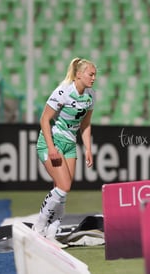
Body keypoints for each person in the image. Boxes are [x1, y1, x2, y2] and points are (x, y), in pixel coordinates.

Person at [33, 57, 96, 238]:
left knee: (61, 189)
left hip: (69, 145)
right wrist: (51, 148)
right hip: (52, 142)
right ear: (78, 75)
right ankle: (39, 226)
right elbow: (44, 119)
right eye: (90, 74)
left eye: (95, 75)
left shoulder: (91, 95)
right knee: (64, 186)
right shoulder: (63, 91)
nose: (93, 78)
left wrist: (88, 149)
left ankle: (52, 233)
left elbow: (85, 124)